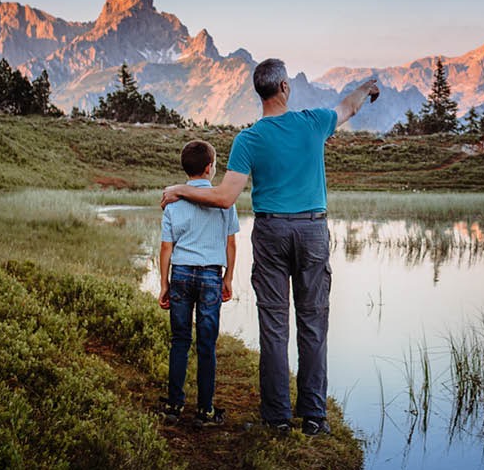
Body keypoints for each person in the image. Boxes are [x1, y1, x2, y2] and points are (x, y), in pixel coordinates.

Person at [161, 58, 379, 436]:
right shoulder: (313, 122)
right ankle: (314, 418)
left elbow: (226, 197)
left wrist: (180, 189)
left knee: (274, 325)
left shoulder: (249, 139)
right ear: (284, 88)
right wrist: (367, 87)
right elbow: (349, 106)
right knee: (313, 324)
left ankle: (277, 418)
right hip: (311, 231)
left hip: (271, 233)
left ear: (259, 92)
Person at [158, 140, 239, 427]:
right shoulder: (223, 201)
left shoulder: (172, 203)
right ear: (209, 168)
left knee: (179, 340)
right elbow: (230, 244)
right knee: (207, 344)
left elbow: (166, 248)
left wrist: (164, 283)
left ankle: (173, 406)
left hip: (180, 273)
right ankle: (205, 410)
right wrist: (227, 278)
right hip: (209, 276)